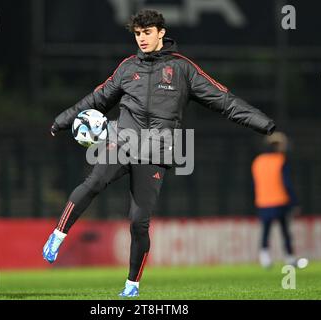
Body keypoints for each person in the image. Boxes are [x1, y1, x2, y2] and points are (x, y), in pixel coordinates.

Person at [43, 9, 276, 297]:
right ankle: (58, 235)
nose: (141, 39)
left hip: (157, 150)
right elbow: (97, 98)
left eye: (147, 32)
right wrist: (63, 120)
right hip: (122, 140)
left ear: (161, 33)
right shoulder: (127, 68)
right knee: (94, 182)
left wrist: (264, 123)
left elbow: (224, 101)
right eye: (138, 34)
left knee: (139, 221)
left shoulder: (182, 69)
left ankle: (131, 286)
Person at [251, 132, 300, 268]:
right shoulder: (280, 160)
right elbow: (287, 183)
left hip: (263, 202)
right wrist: (294, 201)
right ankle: (289, 257)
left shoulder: (258, 161)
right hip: (280, 201)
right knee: (285, 231)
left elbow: (255, 183)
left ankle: (264, 257)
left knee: (266, 230)